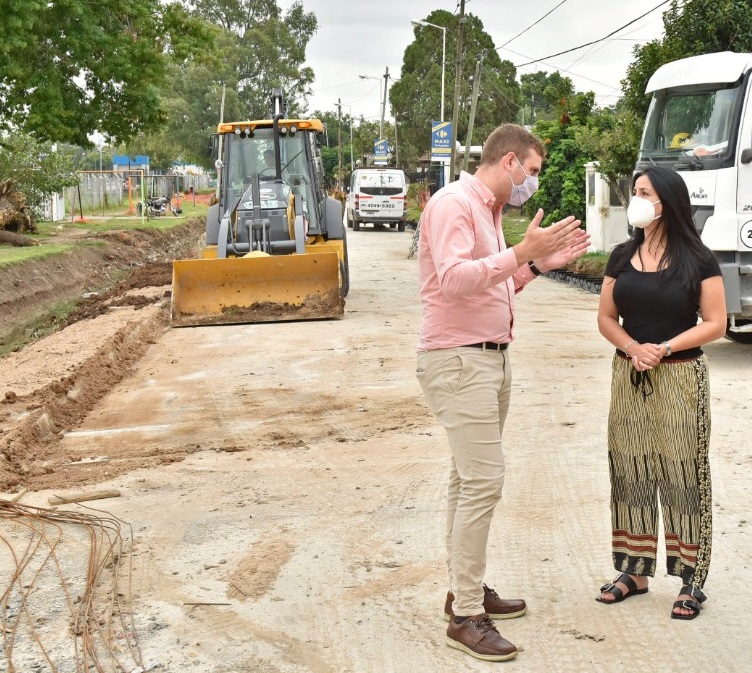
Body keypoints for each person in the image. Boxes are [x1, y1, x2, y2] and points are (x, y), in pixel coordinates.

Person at [415, 123, 590, 662]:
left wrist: (536, 264)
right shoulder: (454, 204)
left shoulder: (488, 213)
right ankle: (468, 613)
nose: (531, 184)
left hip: (489, 358)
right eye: (532, 172)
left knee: (467, 480)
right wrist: (519, 251)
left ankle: (463, 588)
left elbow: (494, 280)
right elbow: (454, 280)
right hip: (460, 360)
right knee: (483, 482)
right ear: (509, 161)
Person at [595, 165, 726, 620]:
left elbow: (715, 322)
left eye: (644, 191)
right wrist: (633, 348)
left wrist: (663, 348)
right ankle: (634, 571)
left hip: (681, 377)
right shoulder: (619, 256)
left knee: (683, 472)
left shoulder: (699, 259)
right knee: (629, 467)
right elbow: (607, 318)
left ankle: (691, 578)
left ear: (667, 200)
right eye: (634, 191)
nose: (636, 198)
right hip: (629, 375)